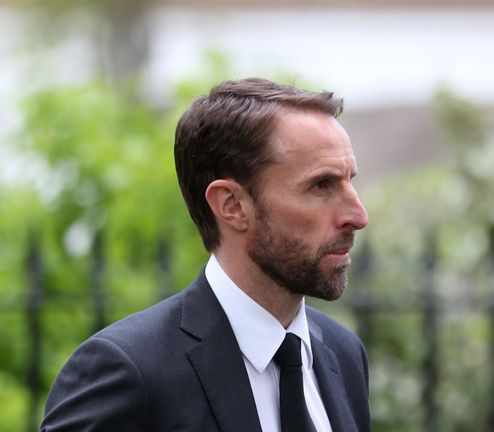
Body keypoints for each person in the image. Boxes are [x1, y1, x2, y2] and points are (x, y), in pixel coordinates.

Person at [41, 77, 371, 432]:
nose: (358, 216)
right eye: (321, 185)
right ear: (231, 205)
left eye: (350, 181)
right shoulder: (128, 371)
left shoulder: (343, 353)